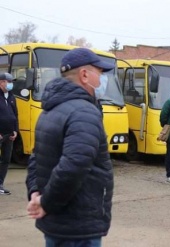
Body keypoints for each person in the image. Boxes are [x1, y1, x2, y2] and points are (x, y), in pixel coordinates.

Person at [25, 48, 114, 246]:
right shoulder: (84, 112)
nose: (101, 80)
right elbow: (74, 165)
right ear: (84, 75)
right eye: (99, 73)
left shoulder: (51, 109)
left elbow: (36, 157)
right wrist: (46, 202)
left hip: (58, 222)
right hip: (78, 224)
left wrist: (35, 194)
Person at [0, 72, 18, 195]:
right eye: (9, 81)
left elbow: (15, 115)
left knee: (5, 160)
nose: (11, 84)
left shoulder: (11, 97)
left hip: (10, 134)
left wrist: (16, 130)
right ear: (1, 82)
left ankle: (0, 184)